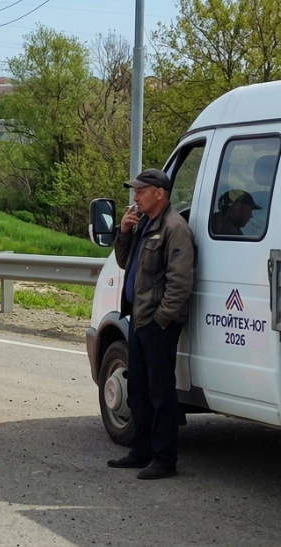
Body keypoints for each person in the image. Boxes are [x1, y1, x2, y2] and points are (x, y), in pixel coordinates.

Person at [108, 169, 195, 480]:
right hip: (139, 318)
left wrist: (161, 319)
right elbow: (122, 261)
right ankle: (141, 451)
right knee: (139, 390)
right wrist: (125, 232)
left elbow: (180, 282)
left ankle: (164, 459)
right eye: (135, 191)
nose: (135, 197)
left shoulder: (175, 228)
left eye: (141, 191)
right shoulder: (144, 224)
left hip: (157, 323)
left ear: (159, 193)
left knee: (161, 393)